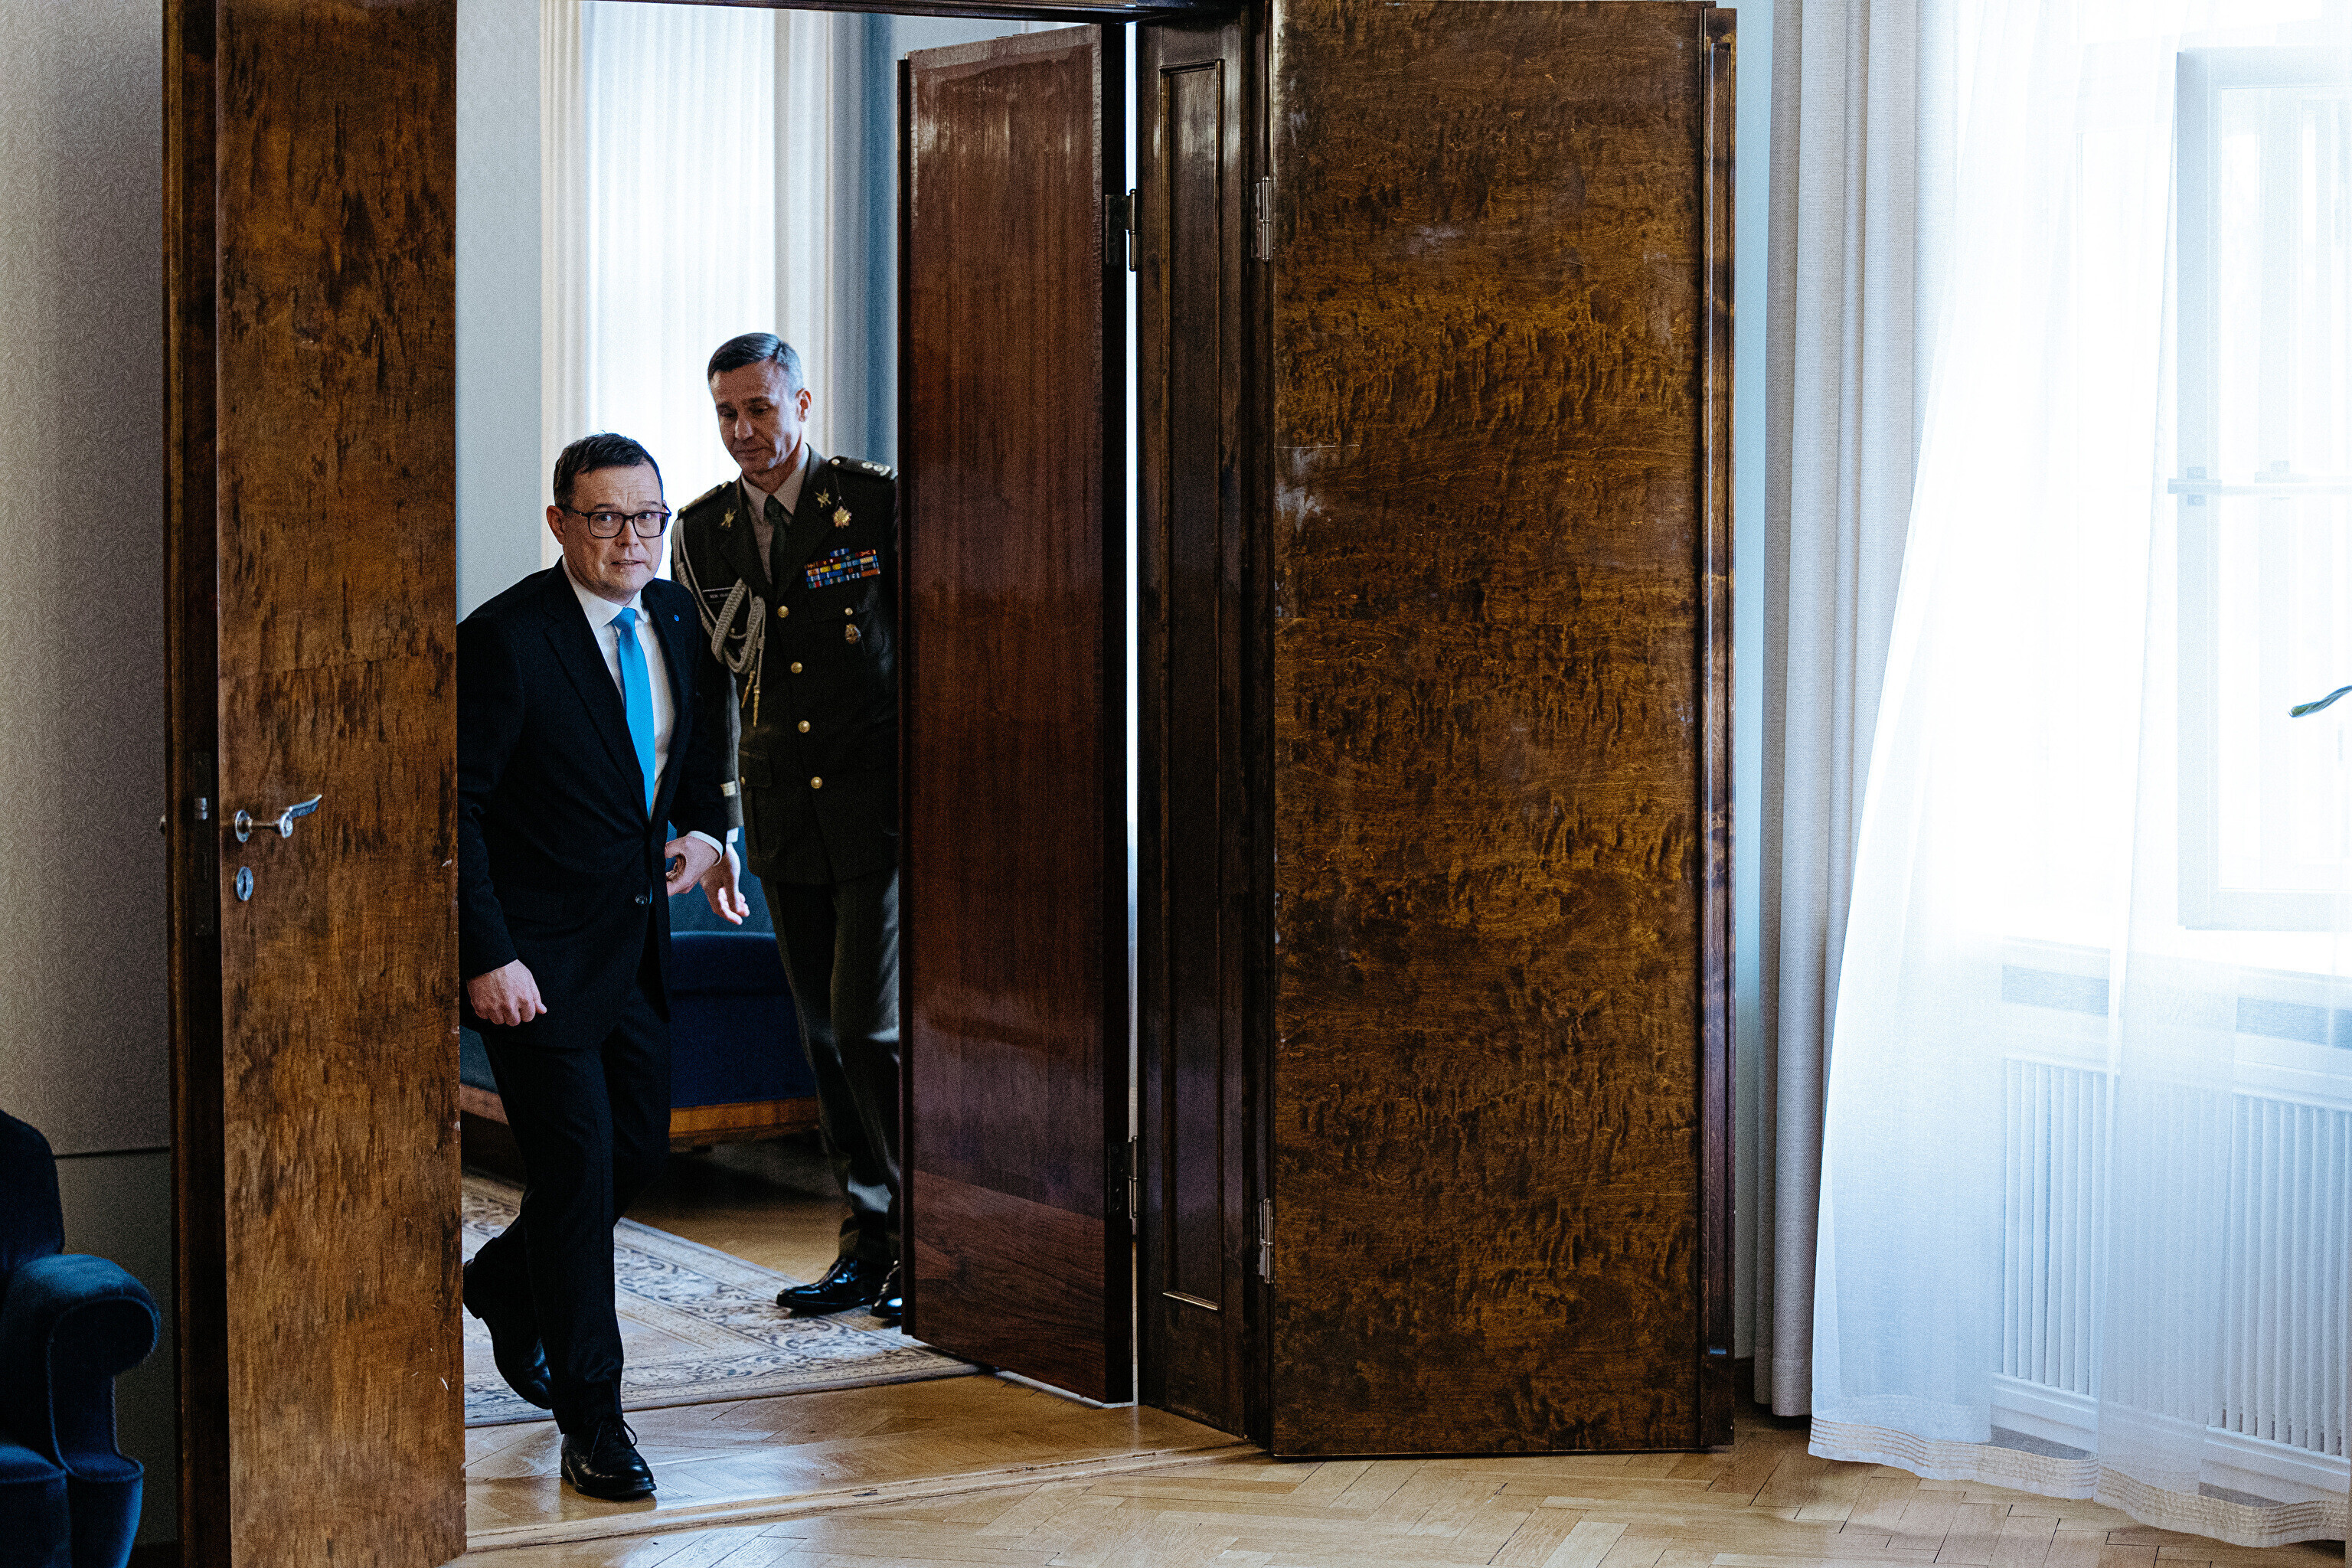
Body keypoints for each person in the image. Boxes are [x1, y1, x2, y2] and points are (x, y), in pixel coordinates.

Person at [457, 432, 731, 1501]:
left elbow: (694, 752)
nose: (632, 539)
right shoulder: (505, 640)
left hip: (636, 952)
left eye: (647, 516)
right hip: (533, 967)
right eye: (607, 518)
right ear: (561, 523)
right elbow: (458, 812)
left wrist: (706, 833)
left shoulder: (676, 619)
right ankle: (596, 1423)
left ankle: (500, 1278)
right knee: (576, 1178)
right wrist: (488, 955)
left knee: (637, 1159)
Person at [673, 334, 906, 1325]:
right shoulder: (703, 531)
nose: (743, 431)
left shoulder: (874, 503)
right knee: (819, 1036)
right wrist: (715, 830)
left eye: (760, 408)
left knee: (868, 1028)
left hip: (878, 810)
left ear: (801, 403)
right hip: (782, 815)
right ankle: (866, 1246)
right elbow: (711, 697)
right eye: (727, 413)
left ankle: (927, 1242)